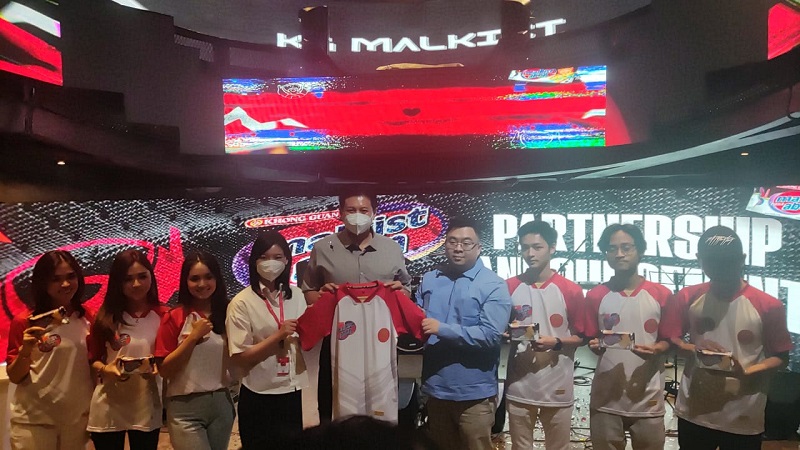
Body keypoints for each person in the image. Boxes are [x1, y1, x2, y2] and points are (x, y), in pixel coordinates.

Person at [669, 226, 793, 450]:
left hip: (743, 413)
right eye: (712, 261)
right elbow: (672, 342)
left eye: (727, 261)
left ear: (742, 259)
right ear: (700, 259)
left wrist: (748, 371)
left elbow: (781, 357)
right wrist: (694, 349)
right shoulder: (688, 296)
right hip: (694, 409)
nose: (720, 267)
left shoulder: (768, 305)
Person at [301, 191, 411, 422]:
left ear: (374, 213)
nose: (357, 216)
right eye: (351, 210)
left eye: (363, 210)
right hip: (337, 341)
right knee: (334, 407)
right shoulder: (323, 248)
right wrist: (319, 297)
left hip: (380, 343)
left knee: (380, 406)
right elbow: (309, 290)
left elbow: (406, 288)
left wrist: (401, 292)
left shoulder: (391, 248)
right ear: (340, 213)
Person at [415, 216, 512, 450]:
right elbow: (416, 319)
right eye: (452, 241)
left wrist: (441, 329)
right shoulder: (429, 279)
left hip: (475, 395)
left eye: (466, 243)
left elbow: (490, 335)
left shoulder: (494, 285)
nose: (458, 248)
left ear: (479, 248)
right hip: (435, 389)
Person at [584, 223, 680, 450]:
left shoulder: (662, 294)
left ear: (640, 250)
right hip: (605, 398)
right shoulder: (595, 295)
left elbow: (670, 340)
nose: (619, 254)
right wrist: (594, 345)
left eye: (626, 247)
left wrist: (657, 349)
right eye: (612, 249)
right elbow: (591, 338)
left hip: (648, 398)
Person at [504, 220, 586, 450]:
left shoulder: (570, 290)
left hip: (558, 383)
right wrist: (506, 334)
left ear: (552, 248)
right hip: (519, 384)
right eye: (524, 247)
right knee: (520, 446)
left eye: (537, 247)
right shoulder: (509, 287)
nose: (530, 253)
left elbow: (582, 337)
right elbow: (502, 329)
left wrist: (556, 342)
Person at [226, 232, 309, 448]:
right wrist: (278, 336)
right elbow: (240, 357)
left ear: (287, 260)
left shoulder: (297, 295)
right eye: (264, 257)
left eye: (277, 257)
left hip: (293, 391)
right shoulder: (241, 303)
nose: (271, 262)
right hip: (259, 393)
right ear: (254, 262)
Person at [6, 250, 94, 449]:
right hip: (34, 423)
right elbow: (15, 376)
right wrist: (26, 351)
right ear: (43, 283)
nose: (65, 284)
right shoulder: (25, 321)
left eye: (71, 276)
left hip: (77, 423)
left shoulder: (89, 317)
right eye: (56, 279)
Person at [155, 251, 235, 450]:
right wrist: (192, 338)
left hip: (221, 404)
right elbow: (164, 370)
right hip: (184, 408)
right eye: (195, 278)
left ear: (217, 279)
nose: (202, 284)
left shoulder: (230, 313)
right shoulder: (174, 317)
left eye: (208, 277)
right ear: (185, 281)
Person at [87, 249, 165, 450]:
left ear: (151, 277)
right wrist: (105, 369)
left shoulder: (165, 315)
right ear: (117, 283)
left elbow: (169, 359)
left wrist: (160, 367)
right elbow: (93, 359)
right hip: (108, 404)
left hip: (147, 404)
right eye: (128, 279)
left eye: (142, 276)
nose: (136, 284)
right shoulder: (105, 318)